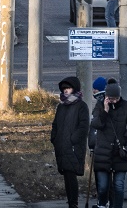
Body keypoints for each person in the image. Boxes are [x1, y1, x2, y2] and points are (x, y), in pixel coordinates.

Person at [91, 77, 127, 208]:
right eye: (111, 98)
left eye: (116, 98)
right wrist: (105, 110)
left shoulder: (126, 106)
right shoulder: (99, 106)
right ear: (106, 96)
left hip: (120, 152)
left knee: (119, 185)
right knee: (103, 186)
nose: (114, 101)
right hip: (103, 151)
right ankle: (102, 204)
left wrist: (125, 140)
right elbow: (96, 124)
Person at [50, 76, 90, 208]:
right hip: (61, 146)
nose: (66, 91)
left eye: (68, 88)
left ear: (75, 89)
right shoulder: (61, 106)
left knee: (71, 174)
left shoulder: (81, 106)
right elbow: (55, 124)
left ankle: (73, 203)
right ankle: (71, 202)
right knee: (67, 175)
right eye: (64, 89)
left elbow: (84, 127)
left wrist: (72, 140)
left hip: (73, 147)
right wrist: (54, 138)